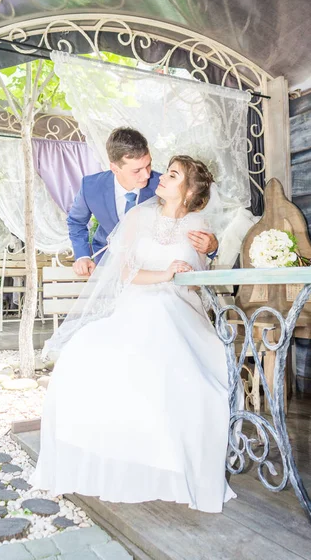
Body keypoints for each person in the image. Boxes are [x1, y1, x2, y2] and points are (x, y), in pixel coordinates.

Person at [31, 155, 236, 513]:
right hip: (138, 302)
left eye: (172, 175)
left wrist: (207, 252)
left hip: (182, 309)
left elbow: (202, 277)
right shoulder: (137, 217)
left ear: (188, 192)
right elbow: (126, 273)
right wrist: (165, 275)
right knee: (92, 349)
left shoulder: (198, 225)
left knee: (165, 324)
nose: (160, 178)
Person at [67, 127, 218, 276]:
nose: (147, 175)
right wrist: (82, 256)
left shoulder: (163, 186)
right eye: (137, 170)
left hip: (153, 269)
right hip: (105, 264)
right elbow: (76, 222)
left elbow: (187, 226)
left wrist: (211, 248)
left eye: (148, 165)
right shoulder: (91, 187)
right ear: (114, 168)